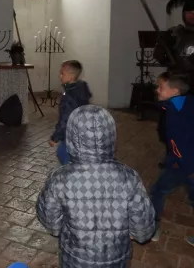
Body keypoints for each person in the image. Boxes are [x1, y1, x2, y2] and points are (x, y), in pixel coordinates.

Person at [37, 105, 155, 268]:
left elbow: (53, 225)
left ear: (71, 136)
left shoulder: (59, 178)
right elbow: (143, 231)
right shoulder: (129, 177)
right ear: (110, 135)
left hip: (75, 259)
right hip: (117, 259)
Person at [150, 72, 194, 244]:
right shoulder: (187, 101)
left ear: (175, 90)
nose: (157, 90)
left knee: (157, 191)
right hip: (186, 161)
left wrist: (189, 169)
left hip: (183, 164)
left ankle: (152, 229)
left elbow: (179, 145)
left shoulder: (176, 115)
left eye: (161, 87)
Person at [49, 60, 91, 165]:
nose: (60, 76)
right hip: (82, 132)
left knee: (63, 154)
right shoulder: (81, 88)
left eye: (62, 73)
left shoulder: (69, 96)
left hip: (70, 134)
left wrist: (55, 137)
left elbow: (65, 119)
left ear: (71, 76)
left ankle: (70, 177)